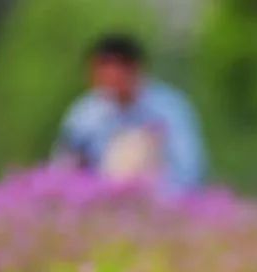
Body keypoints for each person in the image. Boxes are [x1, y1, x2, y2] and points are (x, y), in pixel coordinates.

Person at [54, 34, 206, 195]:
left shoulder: (169, 109)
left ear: (135, 69)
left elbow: (189, 169)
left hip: (157, 203)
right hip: (99, 204)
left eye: (114, 69)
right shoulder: (85, 114)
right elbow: (64, 165)